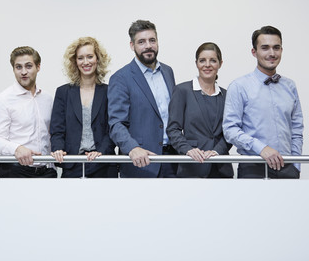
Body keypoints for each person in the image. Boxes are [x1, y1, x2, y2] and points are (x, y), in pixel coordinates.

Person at [223, 26, 304, 179]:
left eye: (276, 48)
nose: (272, 53)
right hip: (253, 167)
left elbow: (297, 128)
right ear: (254, 52)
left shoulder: (290, 86)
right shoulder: (239, 86)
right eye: (265, 48)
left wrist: (295, 164)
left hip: (288, 168)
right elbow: (230, 129)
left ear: (281, 50)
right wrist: (261, 148)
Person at [108, 19, 176, 178]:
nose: (148, 46)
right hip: (140, 162)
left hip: (172, 161)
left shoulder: (168, 72)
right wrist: (132, 148)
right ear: (132, 45)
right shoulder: (121, 78)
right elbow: (116, 123)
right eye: (141, 42)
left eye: (152, 40)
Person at [50, 37, 117, 178]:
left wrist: (102, 152)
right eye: (80, 58)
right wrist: (58, 149)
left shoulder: (109, 92)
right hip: (72, 163)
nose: (86, 62)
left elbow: (113, 128)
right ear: (75, 62)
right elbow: (57, 129)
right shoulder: (63, 92)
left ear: (98, 59)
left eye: (90, 56)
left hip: (102, 163)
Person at [167, 42, 233, 178]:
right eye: (202, 60)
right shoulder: (182, 91)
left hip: (221, 168)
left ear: (220, 64)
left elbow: (231, 131)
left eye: (213, 60)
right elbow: (173, 129)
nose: (207, 65)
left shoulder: (227, 95)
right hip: (192, 166)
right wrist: (188, 150)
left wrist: (217, 151)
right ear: (196, 63)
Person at [0, 46, 56, 178]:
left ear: (38, 67)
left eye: (28, 66)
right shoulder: (3, 99)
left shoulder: (47, 98)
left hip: (46, 171)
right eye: (18, 67)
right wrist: (17, 148)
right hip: (15, 171)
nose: (23, 72)